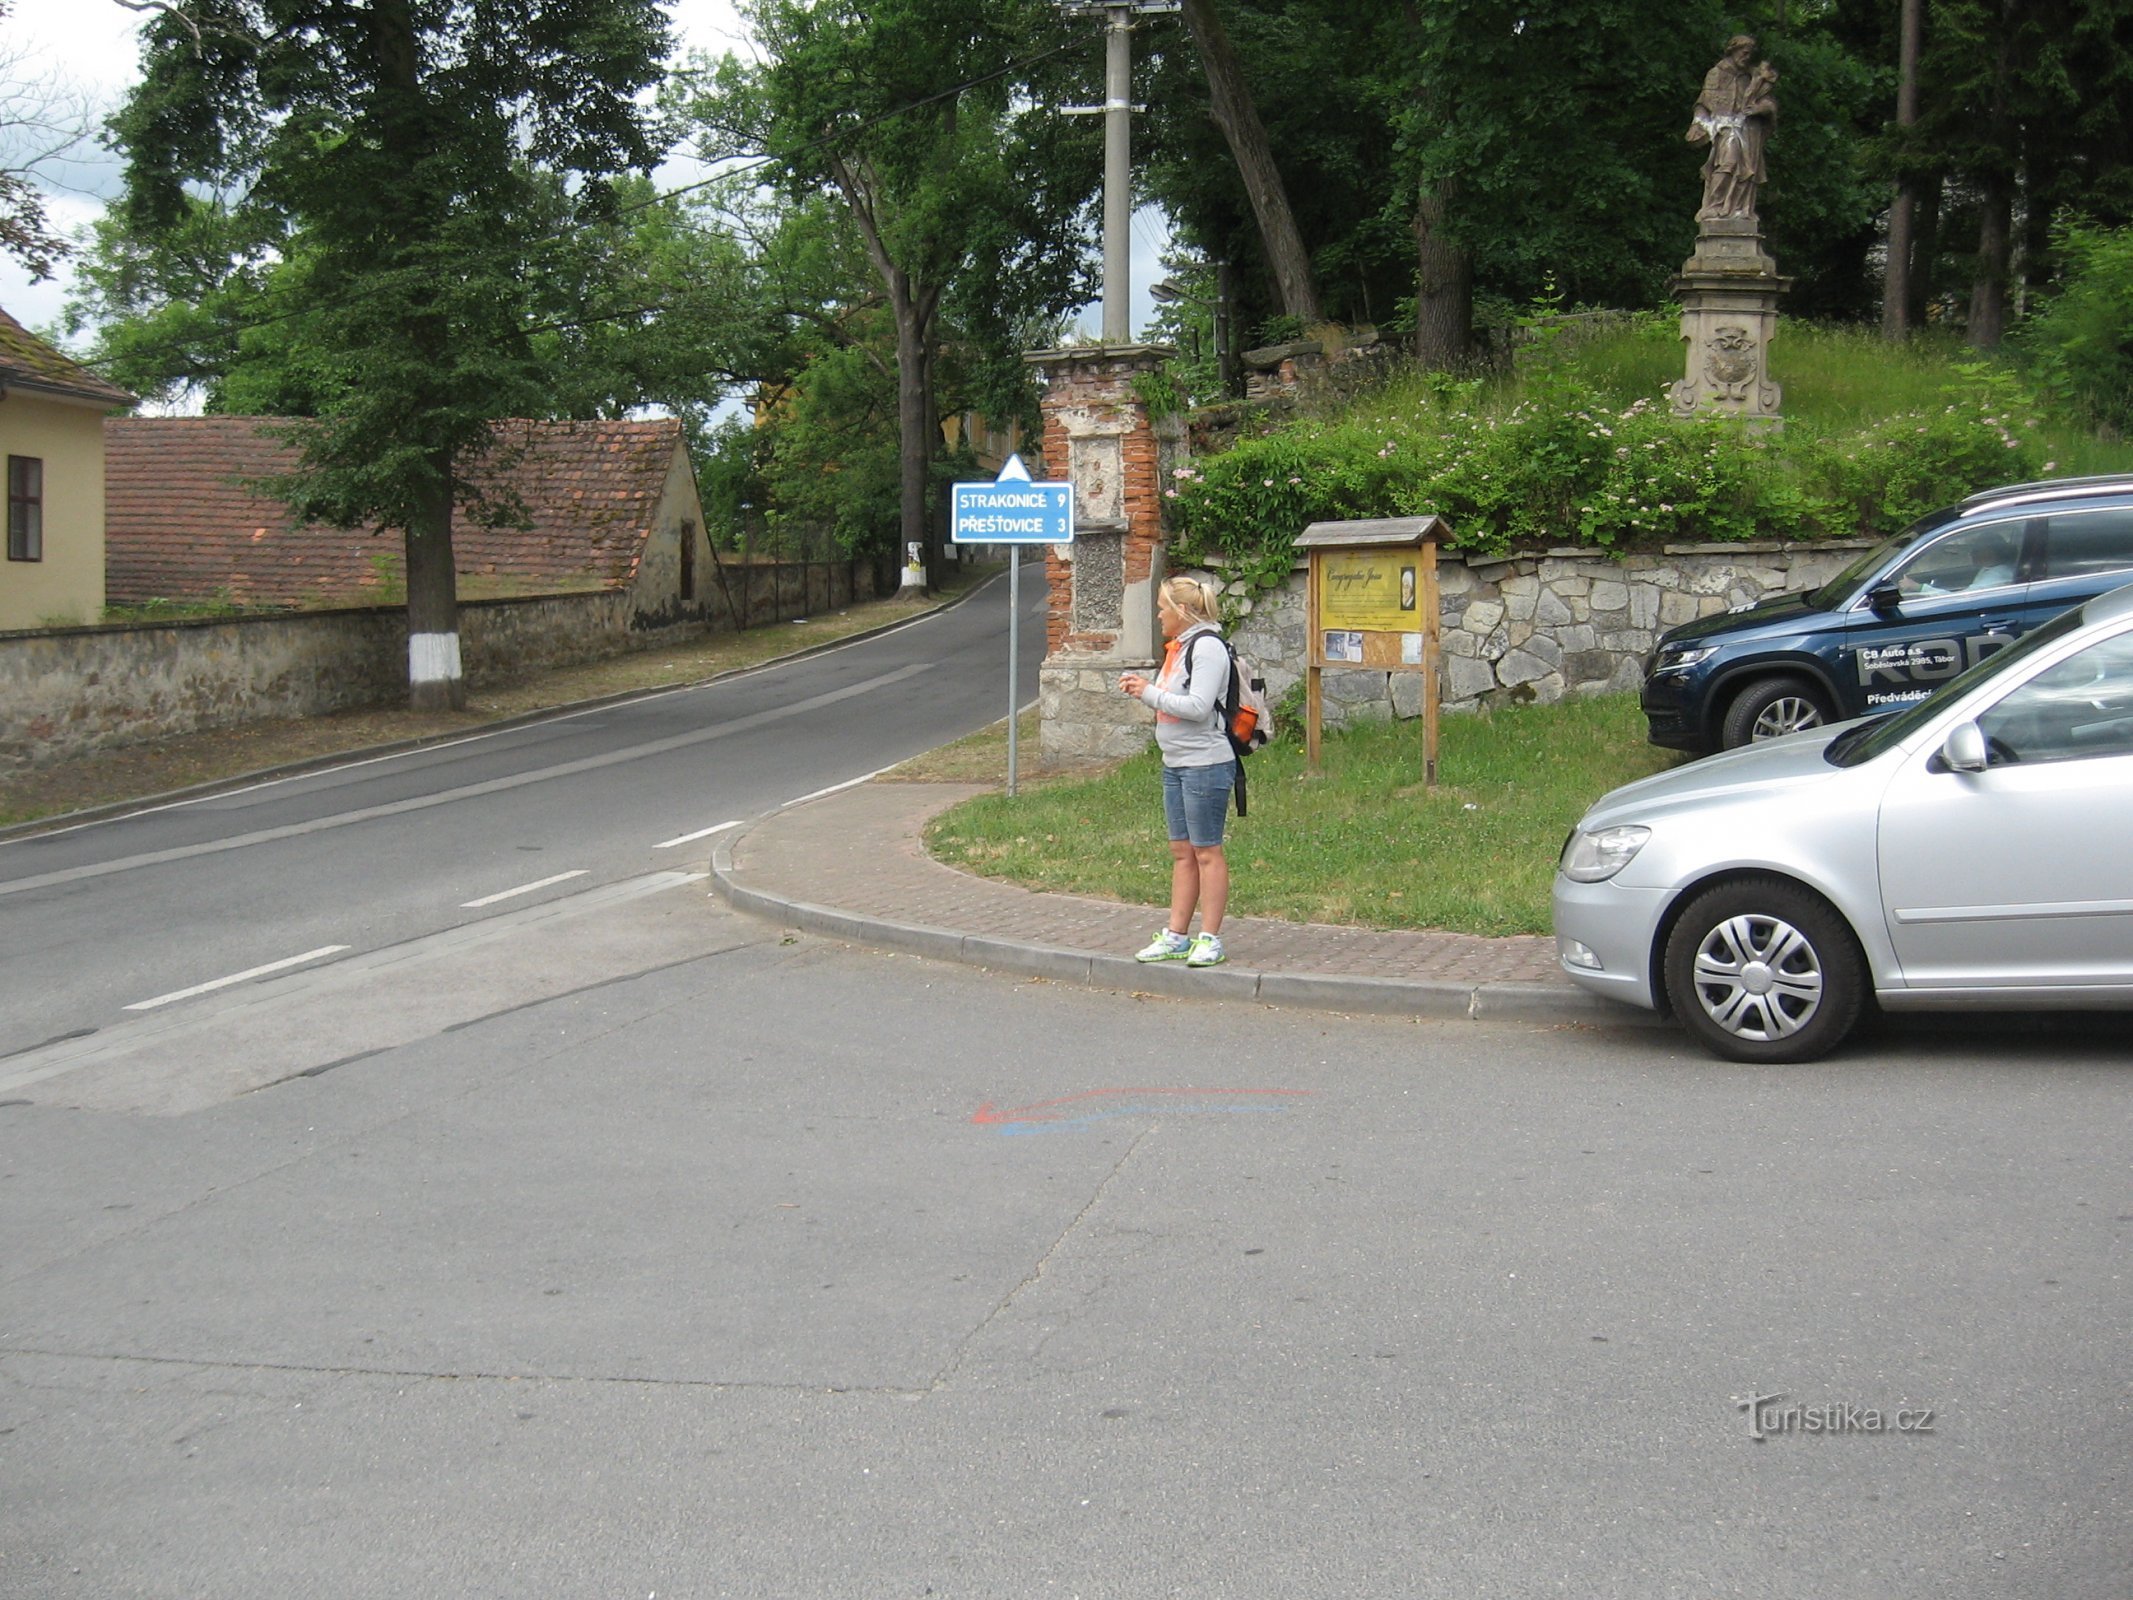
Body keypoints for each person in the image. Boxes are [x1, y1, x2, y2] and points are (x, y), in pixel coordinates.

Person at [1119, 574, 1236, 968]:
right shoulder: (1179, 648)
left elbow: (1199, 707)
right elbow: (1173, 701)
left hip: (1205, 763)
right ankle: (1176, 936)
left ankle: (1211, 938)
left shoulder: (1207, 648)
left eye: (1162, 607)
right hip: (1176, 763)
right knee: (1182, 852)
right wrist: (1145, 690)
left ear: (1182, 611)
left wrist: (1147, 692)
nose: (1158, 615)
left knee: (1207, 852)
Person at [1689, 36, 1777, 223]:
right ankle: (1716, 206)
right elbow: (1703, 102)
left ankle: (1739, 210)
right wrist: (1698, 123)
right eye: (1744, 53)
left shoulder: (1754, 77)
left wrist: (1761, 108)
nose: (1746, 57)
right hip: (1725, 126)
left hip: (1749, 128)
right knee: (1728, 162)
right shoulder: (1717, 73)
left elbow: (1769, 103)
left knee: (1748, 171)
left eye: (1749, 54)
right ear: (1733, 50)